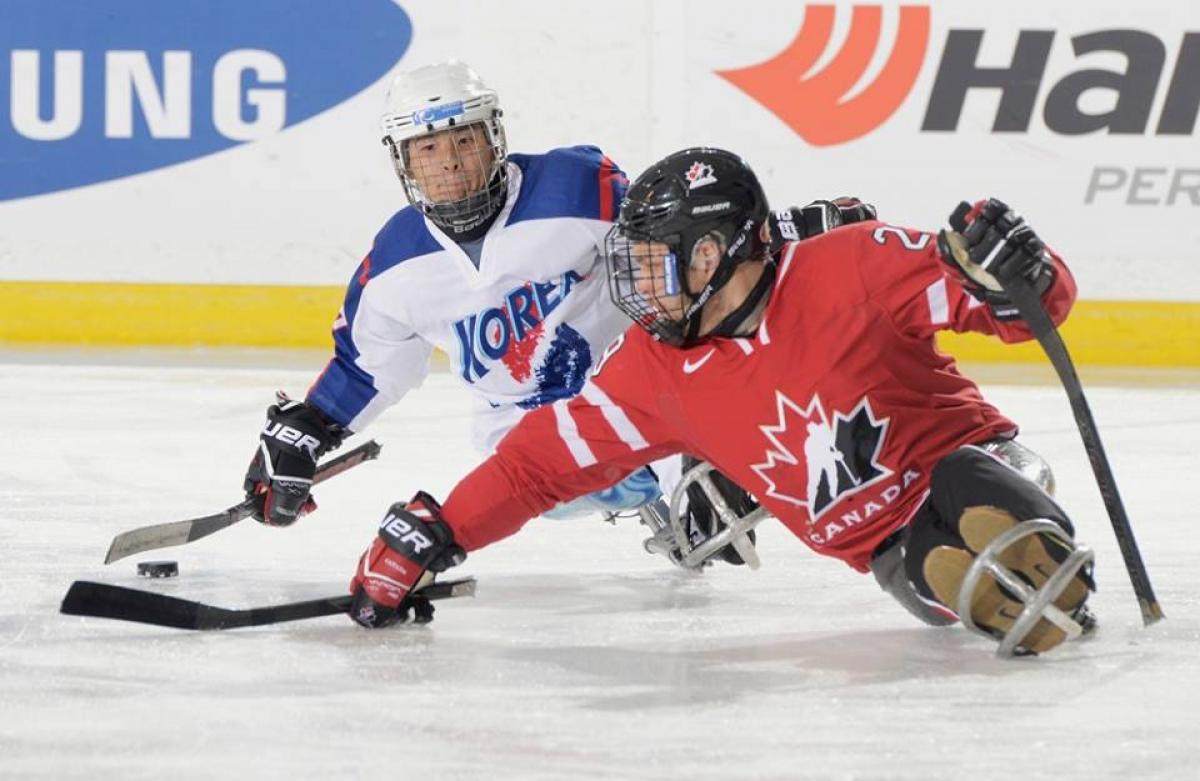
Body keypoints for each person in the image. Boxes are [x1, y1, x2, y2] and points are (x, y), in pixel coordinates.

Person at [344, 146, 1097, 657]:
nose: (636, 286)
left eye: (653, 263)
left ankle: (1031, 536)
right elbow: (534, 468)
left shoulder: (850, 265)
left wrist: (1018, 269)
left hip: (970, 461)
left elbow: (1029, 308)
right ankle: (1003, 567)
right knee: (940, 571)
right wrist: (439, 531)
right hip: (888, 550)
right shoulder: (651, 370)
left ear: (712, 253)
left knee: (971, 495)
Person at [240, 62, 875, 571]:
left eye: (464, 139)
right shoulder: (394, 267)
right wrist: (306, 432)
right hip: (519, 433)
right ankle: (700, 458)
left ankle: (710, 450)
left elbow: (682, 238)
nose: (452, 162)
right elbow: (366, 367)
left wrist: (780, 231)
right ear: (403, 162)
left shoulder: (573, 188)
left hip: (636, 385)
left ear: (494, 138)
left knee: (715, 362)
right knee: (543, 472)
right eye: (428, 149)